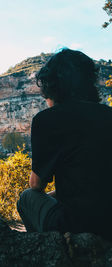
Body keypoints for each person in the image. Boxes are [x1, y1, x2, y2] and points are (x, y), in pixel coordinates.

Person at [17, 48, 112, 240]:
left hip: (75, 224)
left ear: (52, 87)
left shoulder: (47, 120)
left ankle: (46, 250)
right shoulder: (108, 114)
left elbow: (36, 185)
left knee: (26, 197)